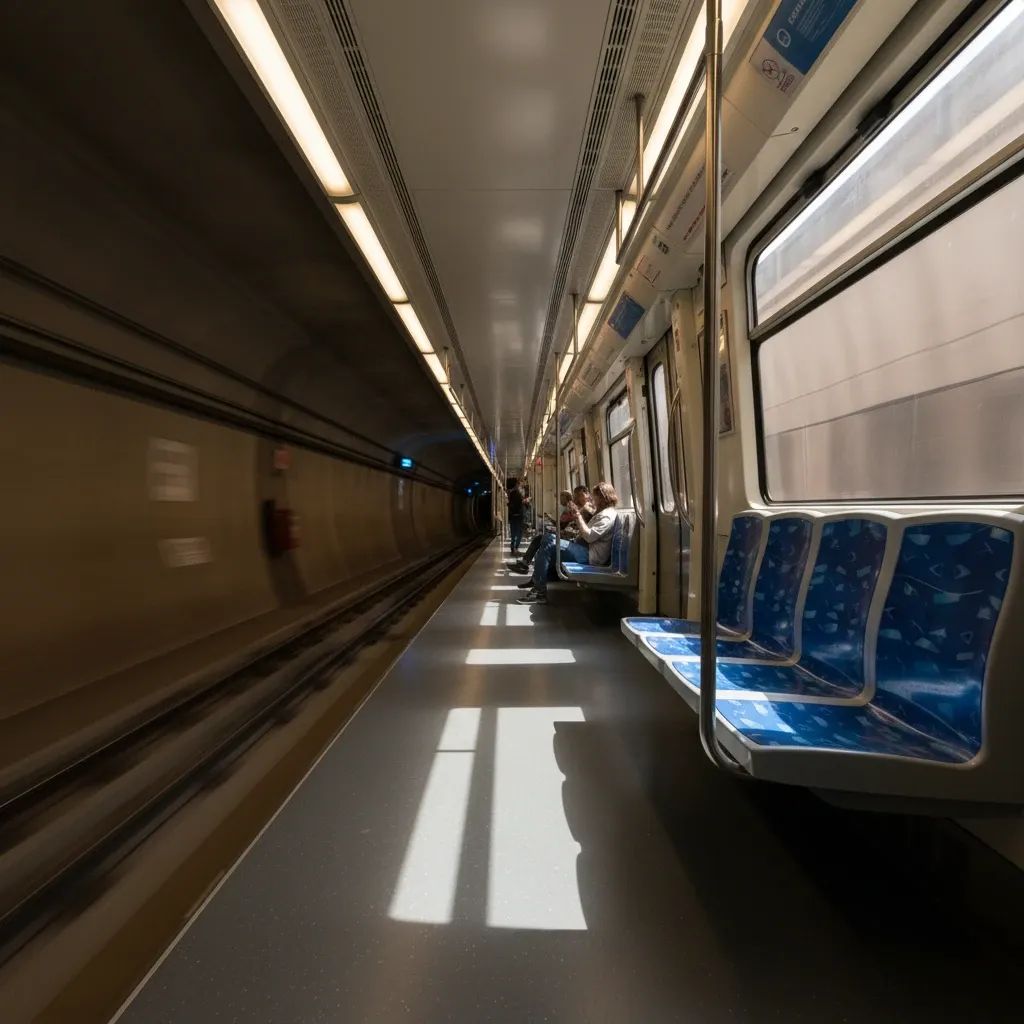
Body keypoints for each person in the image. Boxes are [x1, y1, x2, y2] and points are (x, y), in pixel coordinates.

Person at [518, 482, 620, 604]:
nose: (593, 500)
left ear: (603, 498)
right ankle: (537, 583)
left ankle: (539, 591)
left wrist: (577, 516)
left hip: (591, 555)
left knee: (549, 543)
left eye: (595, 497)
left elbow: (589, 537)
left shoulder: (606, 516)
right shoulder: (603, 513)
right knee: (547, 540)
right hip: (584, 548)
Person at [506, 479, 524, 554]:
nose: (519, 485)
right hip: (518, 516)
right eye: (518, 484)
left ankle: (513, 548)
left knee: (514, 533)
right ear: (516, 485)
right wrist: (524, 501)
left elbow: (510, 504)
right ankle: (515, 548)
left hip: (513, 516)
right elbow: (518, 504)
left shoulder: (511, 493)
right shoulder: (516, 493)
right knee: (519, 533)